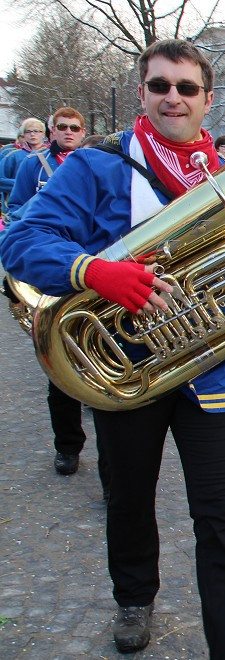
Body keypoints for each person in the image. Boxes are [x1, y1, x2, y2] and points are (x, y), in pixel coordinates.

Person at [0, 39, 225, 660]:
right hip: (123, 370)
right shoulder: (97, 167)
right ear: (142, 92)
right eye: (160, 85)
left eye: (187, 88)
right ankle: (134, 596)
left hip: (210, 374)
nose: (173, 97)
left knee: (220, 518)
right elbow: (18, 242)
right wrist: (92, 271)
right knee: (128, 496)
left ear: (206, 99)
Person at [5, 107, 90, 478]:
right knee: (60, 365)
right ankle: (67, 446)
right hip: (56, 272)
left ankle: (113, 469)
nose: (69, 132)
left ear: (82, 130)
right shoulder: (33, 165)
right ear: (52, 131)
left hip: (93, 268)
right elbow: (15, 212)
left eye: (75, 127)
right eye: (62, 127)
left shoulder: (93, 162)